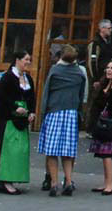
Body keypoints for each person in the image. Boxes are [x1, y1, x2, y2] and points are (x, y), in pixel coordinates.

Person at [0, 50, 36, 195]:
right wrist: (15, 107)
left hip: (22, 120)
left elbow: (32, 98)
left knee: (19, 150)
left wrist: (31, 112)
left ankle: (12, 178)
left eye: (29, 60)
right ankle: (5, 181)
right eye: (26, 59)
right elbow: (2, 98)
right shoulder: (8, 77)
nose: (28, 62)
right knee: (8, 150)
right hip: (6, 119)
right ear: (17, 60)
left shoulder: (28, 79)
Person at [38, 44, 88, 196]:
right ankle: (68, 181)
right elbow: (81, 96)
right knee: (68, 151)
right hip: (71, 113)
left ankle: (54, 183)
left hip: (54, 112)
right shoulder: (80, 73)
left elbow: (46, 93)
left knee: (52, 150)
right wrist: (80, 113)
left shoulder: (55, 71)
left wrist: (42, 113)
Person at [88, 59, 112, 195]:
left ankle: (110, 184)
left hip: (111, 123)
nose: (109, 70)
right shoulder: (103, 83)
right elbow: (97, 103)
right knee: (102, 154)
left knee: (107, 154)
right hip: (101, 122)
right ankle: (106, 182)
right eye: (108, 68)